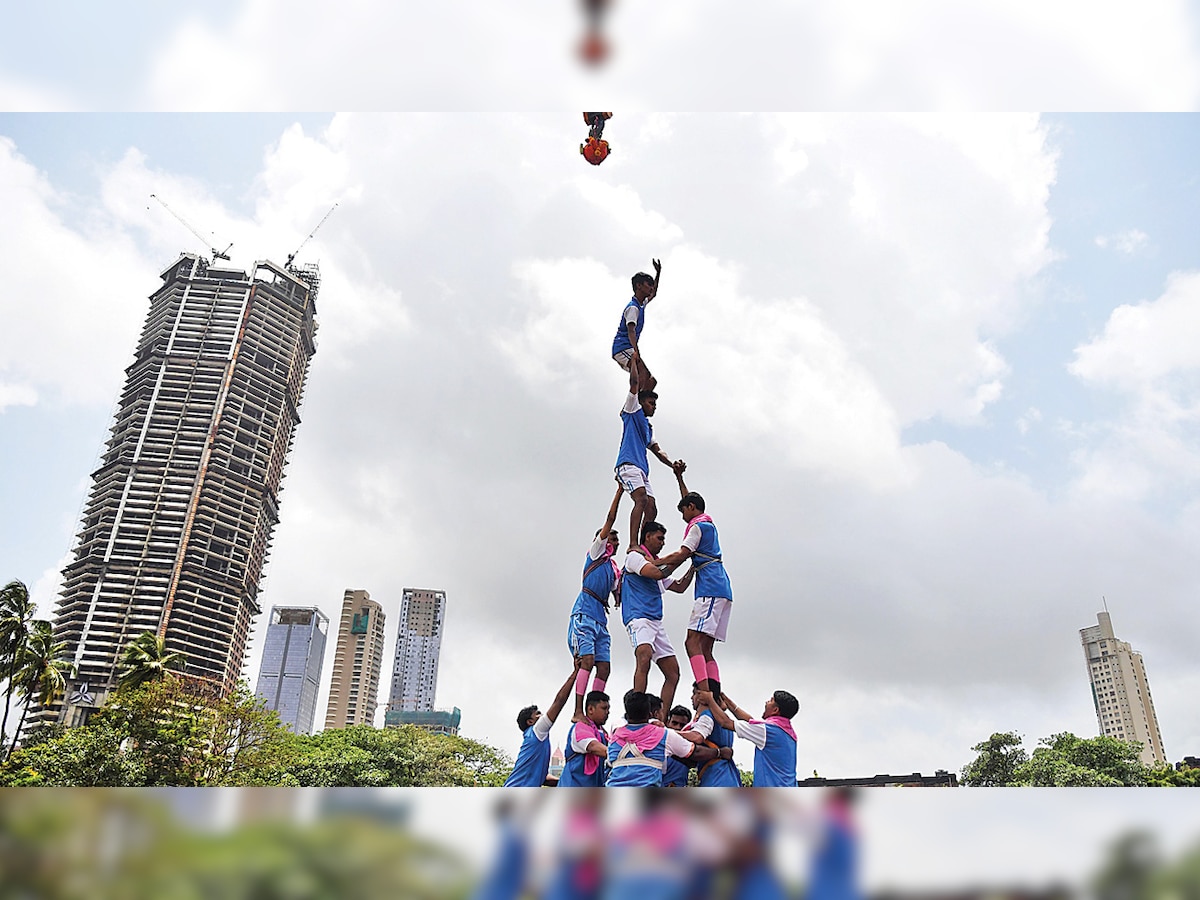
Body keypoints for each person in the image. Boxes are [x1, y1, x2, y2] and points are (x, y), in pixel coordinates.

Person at [655, 467, 734, 699]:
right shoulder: (707, 522)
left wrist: (653, 562)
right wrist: (679, 478)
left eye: (683, 511)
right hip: (721, 586)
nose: (682, 516)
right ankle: (715, 692)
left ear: (692, 509)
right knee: (706, 648)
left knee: (692, 643)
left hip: (710, 587)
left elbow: (681, 554)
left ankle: (706, 692)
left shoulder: (698, 527)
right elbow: (688, 499)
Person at [622, 520, 693, 714]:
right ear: (647, 536)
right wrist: (681, 557)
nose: (663, 543)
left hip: (655, 621)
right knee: (643, 656)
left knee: (673, 673)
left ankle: (660, 719)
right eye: (660, 538)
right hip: (638, 618)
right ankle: (636, 714)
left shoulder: (656, 561)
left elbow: (679, 586)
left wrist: (693, 567)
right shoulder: (635, 557)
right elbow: (656, 573)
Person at [614, 366, 683, 556]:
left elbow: (658, 451)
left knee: (651, 509)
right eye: (651, 403)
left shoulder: (648, 427)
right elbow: (634, 383)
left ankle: (645, 547)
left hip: (642, 470)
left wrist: (672, 465)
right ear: (641, 402)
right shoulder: (632, 410)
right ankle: (633, 544)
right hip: (627, 465)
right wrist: (634, 363)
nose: (654, 406)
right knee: (641, 499)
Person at [569, 483, 623, 720]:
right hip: (585, 613)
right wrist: (619, 492)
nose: (615, 540)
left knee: (604, 667)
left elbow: (619, 591)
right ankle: (578, 710)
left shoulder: (613, 568)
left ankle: (595, 711)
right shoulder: (596, 552)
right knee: (587, 661)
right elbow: (610, 518)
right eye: (612, 536)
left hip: (600, 618)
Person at [606, 690, 727, 787]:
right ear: (650, 714)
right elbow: (696, 752)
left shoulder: (614, 738)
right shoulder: (663, 734)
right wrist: (720, 752)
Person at [699, 689, 799, 787]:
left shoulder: (768, 731)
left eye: (771, 700)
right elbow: (750, 721)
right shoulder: (787, 732)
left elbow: (726, 723)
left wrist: (710, 700)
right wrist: (728, 702)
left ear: (775, 710)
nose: (766, 702)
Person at [504, 671, 577, 787]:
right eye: (538, 714)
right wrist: (575, 673)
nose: (543, 715)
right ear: (530, 722)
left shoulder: (535, 740)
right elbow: (559, 701)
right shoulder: (536, 731)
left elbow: (543, 778)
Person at [674, 683, 741, 787]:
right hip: (728, 776)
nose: (692, 697)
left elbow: (697, 737)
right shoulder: (723, 718)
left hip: (716, 778)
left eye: (694, 693)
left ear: (701, 697)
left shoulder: (707, 715)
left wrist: (666, 733)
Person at [611, 260, 662, 391]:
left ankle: (639, 406)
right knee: (642, 376)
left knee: (651, 382)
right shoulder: (633, 308)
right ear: (638, 286)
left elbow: (654, 293)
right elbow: (631, 331)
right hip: (622, 348)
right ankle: (631, 408)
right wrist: (636, 351)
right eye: (648, 285)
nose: (651, 287)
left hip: (629, 348)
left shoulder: (641, 303)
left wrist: (658, 272)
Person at [558, 690, 611, 788]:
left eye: (608, 709)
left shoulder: (602, 732)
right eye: (604, 708)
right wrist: (620, 755)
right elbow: (592, 746)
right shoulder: (581, 727)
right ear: (590, 709)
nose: (608, 712)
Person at [662, 705, 694, 787]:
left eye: (682, 725)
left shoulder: (691, 748)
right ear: (668, 722)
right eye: (674, 723)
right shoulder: (658, 742)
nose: (677, 727)